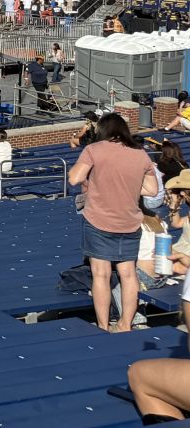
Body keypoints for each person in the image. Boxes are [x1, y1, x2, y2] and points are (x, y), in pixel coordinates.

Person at [69, 112, 159, 333]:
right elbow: (152, 190)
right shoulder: (140, 155)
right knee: (128, 274)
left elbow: (74, 178)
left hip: (99, 220)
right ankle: (125, 324)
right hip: (129, 222)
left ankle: (103, 324)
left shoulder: (93, 150)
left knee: (101, 274)